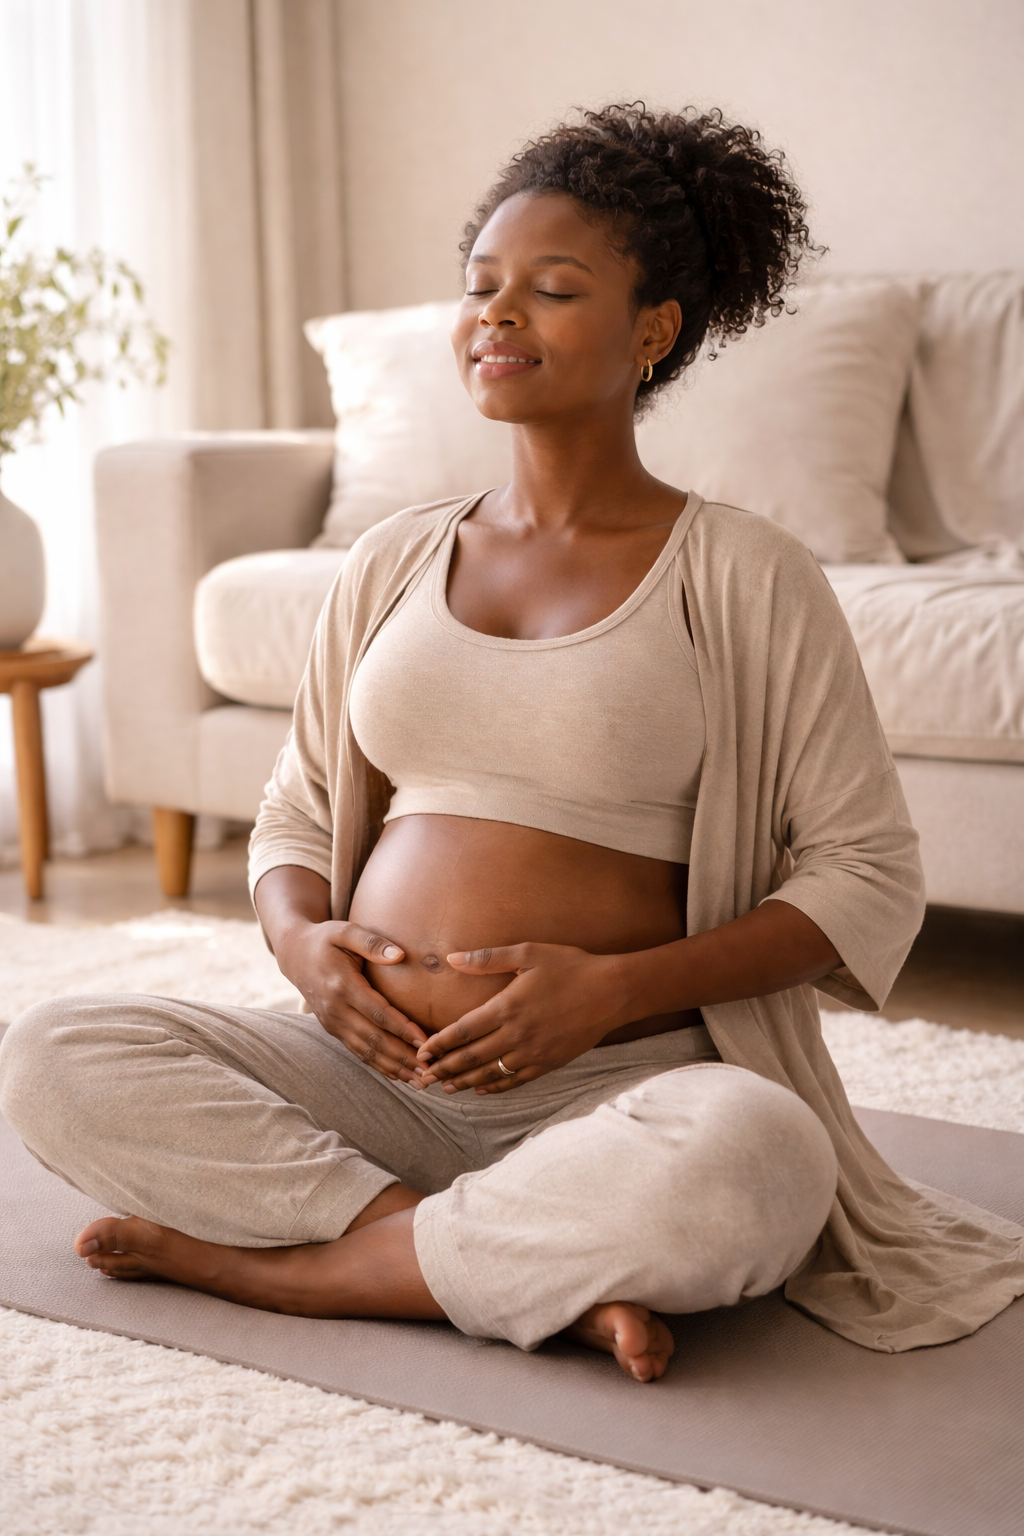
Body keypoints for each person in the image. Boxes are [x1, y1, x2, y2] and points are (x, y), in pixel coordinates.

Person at [2, 105, 1022, 1384]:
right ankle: (469, 1258)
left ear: (653, 331)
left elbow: (865, 877)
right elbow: (295, 818)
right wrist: (301, 945)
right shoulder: (389, 560)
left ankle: (295, 1267)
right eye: (480, 286)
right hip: (364, 1074)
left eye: (550, 289)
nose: (496, 314)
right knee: (53, 1052)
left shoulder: (745, 572)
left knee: (762, 1156)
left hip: (618, 1087)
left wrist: (612, 989)